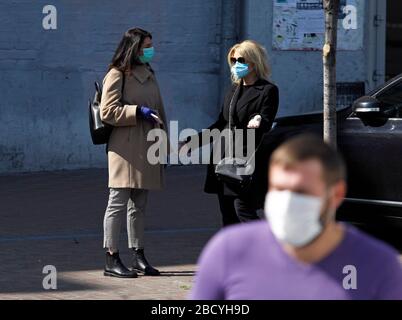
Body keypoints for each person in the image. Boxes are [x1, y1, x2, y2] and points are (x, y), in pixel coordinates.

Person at [190, 134, 402, 299]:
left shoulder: (377, 264)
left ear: (336, 194)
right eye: (279, 188)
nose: (288, 200)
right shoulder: (228, 251)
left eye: (302, 191)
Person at [182, 40, 279, 227]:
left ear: (254, 61)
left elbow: (266, 118)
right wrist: (192, 143)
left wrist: (259, 119)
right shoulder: (234, 90)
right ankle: (235, 254)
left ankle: (266, 248)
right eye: (233, 60)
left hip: (245, 159)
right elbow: (221, 124)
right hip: (223, 158)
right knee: (227, 215)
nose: (236, 64)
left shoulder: (267, 90)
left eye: (241, 60)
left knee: (243, 210)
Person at [100, 28, 168, 278]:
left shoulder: (149, 73)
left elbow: (161, 111)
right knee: (117, 202)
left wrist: (164, 145)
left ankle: (138, 255)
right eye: (145, 46)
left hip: (148, 145)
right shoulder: (117, 74)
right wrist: (136, 111)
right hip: (124, 147)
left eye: (151, 44)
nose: (149, 50)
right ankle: (111, 257)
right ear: (133, 48)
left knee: (139, 204)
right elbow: (107, 111)